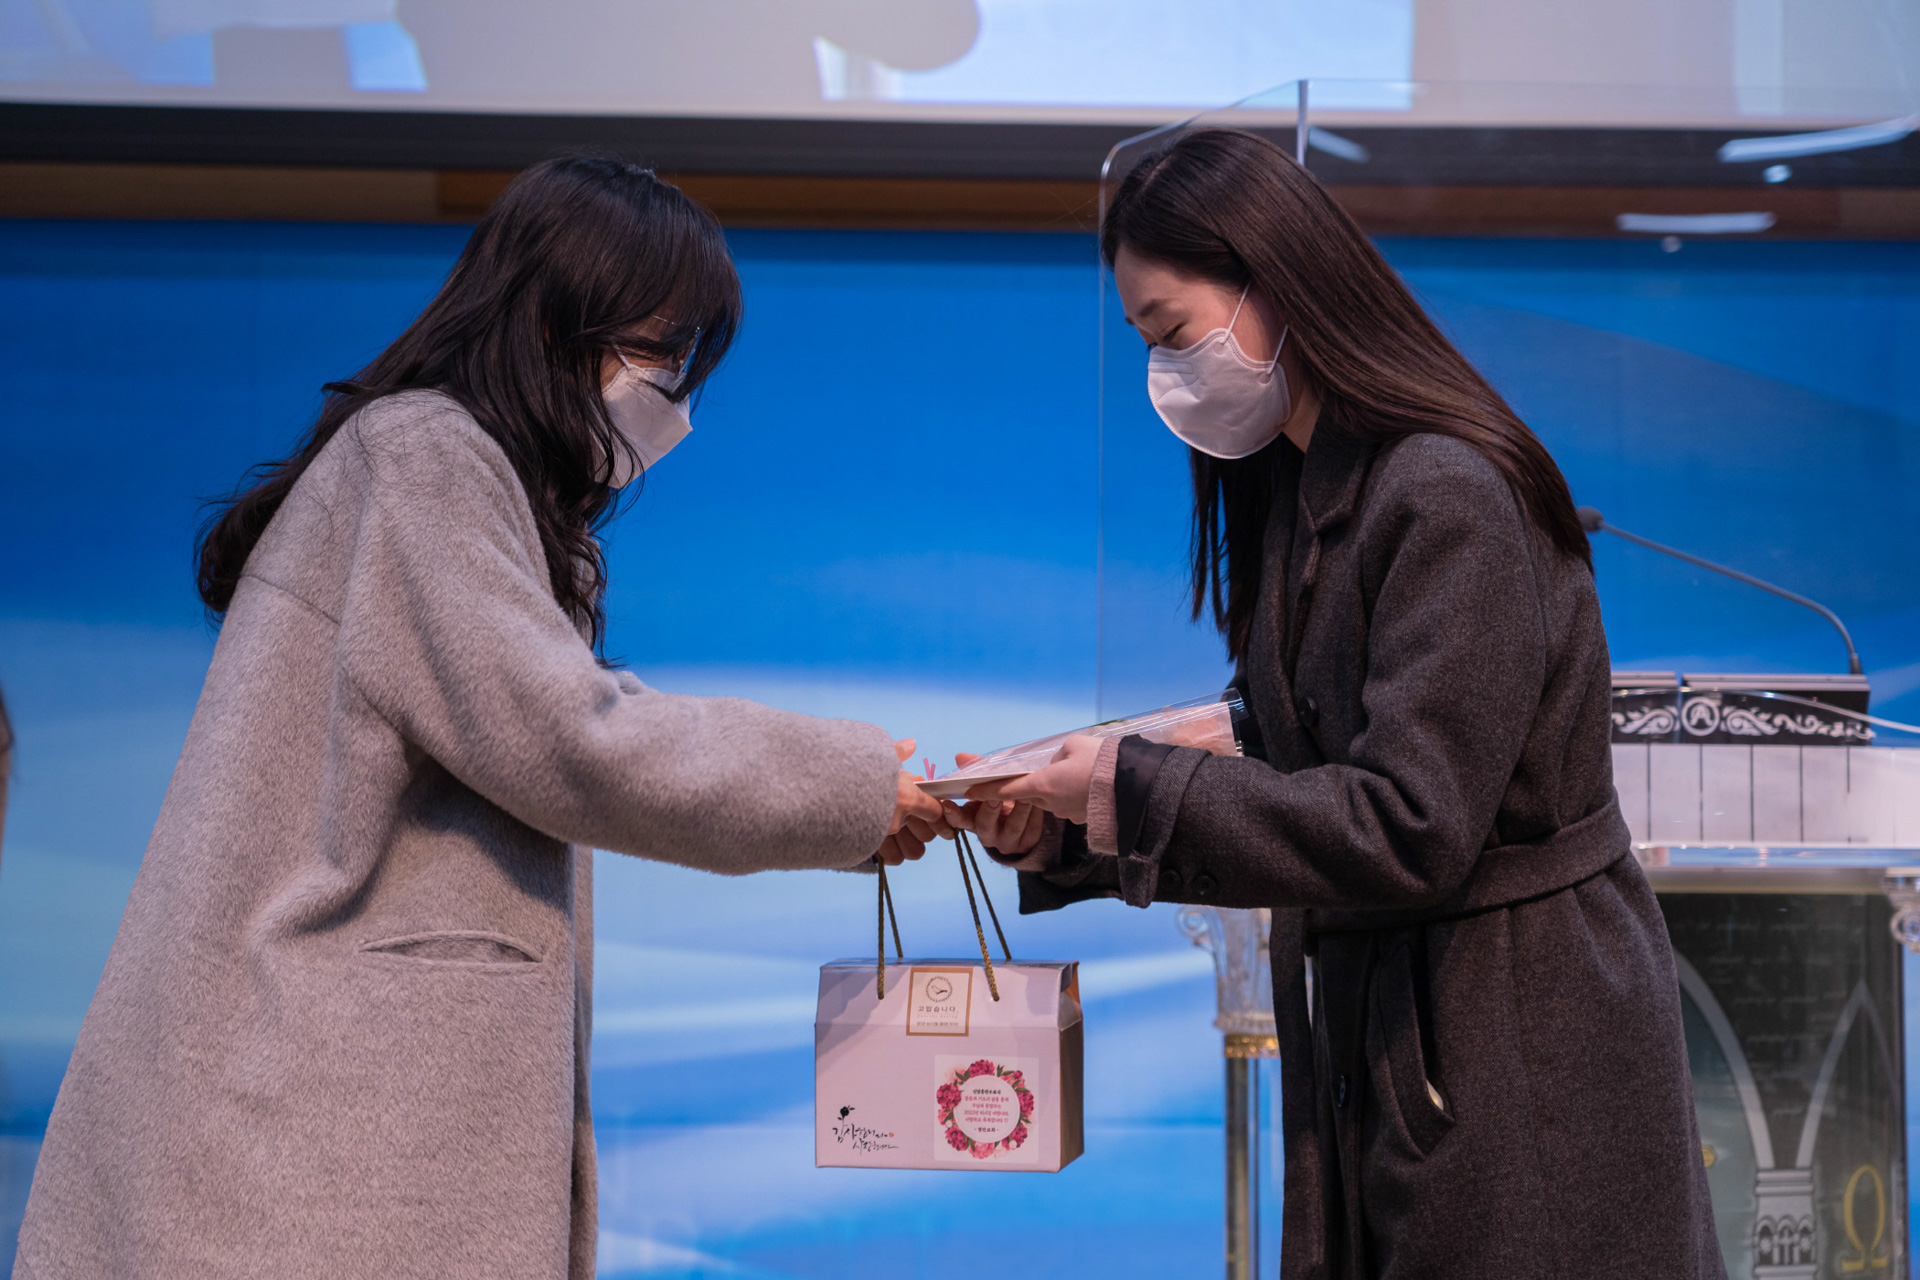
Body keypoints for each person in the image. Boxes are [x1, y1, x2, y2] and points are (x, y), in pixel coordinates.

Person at [13, 156, 945, 1280]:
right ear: (559, 316)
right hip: (314, 1135)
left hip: (326, 1130)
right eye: (658, 350)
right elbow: (570, 735)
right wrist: (851, 789)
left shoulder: (449, 471)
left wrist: (851, 802)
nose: (672, 396)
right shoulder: (425, 454)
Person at [951, 129, 1725, 1280]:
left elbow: (1406, 823)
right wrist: (1067, 820)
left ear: (1277, 280)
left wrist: (1124, 785)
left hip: (1516, 1047)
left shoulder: (1447, 493)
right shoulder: (1308, 490)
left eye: (1172, 331)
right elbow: (1282, 750)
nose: (1166, 371)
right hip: (1410, 1037)